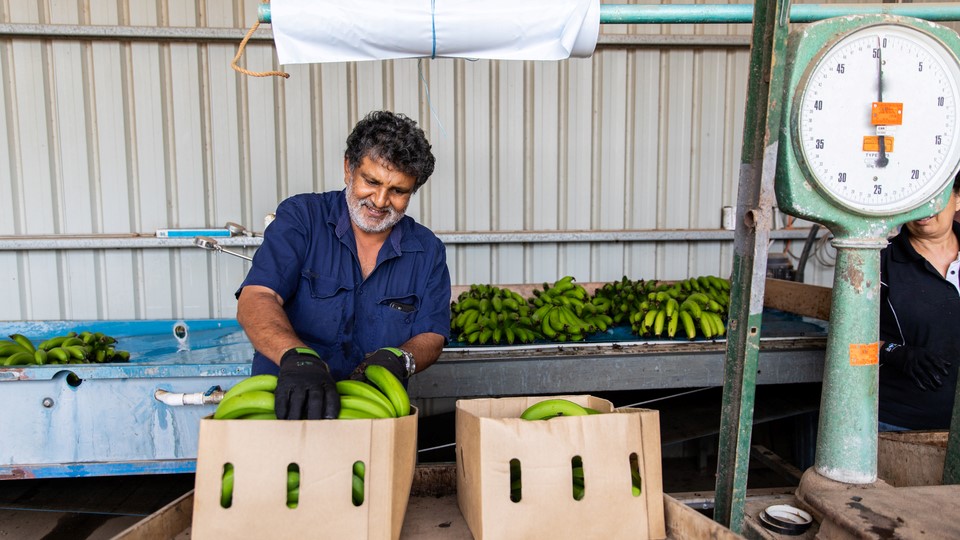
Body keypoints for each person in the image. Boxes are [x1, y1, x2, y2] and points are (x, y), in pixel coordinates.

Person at [235, 111, 451, 420]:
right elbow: (256, 298)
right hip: (286, 407)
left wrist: (401, 359)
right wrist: (296, 358)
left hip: (372, 414)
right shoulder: (302, 218)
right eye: (371, 181)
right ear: (349, 168)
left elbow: (432, 334)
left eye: (398, 191)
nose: (379, 200)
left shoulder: (427, 250)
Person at [878, 172, 960, 431]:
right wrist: (896, 354)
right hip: (900, 425)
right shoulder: (878, 262)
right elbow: (849, 345)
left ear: (958, 200)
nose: (925, 208)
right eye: (916, 198)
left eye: (934, 197)